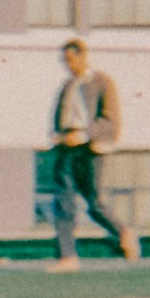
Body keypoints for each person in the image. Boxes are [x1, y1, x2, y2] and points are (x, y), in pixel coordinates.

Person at [44, 39, 131, 264]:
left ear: (83, 56)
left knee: (94, 203)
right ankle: (67, 255)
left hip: (91, 149)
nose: (68, 65)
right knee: (63, 199)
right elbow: (59, 115)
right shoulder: (67, 86)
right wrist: (58, 135)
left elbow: (110, 120)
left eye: (71, 59)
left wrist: (84, 135)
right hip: (67, 147)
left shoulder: (102, 82)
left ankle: (123, 233)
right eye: (64, 61)